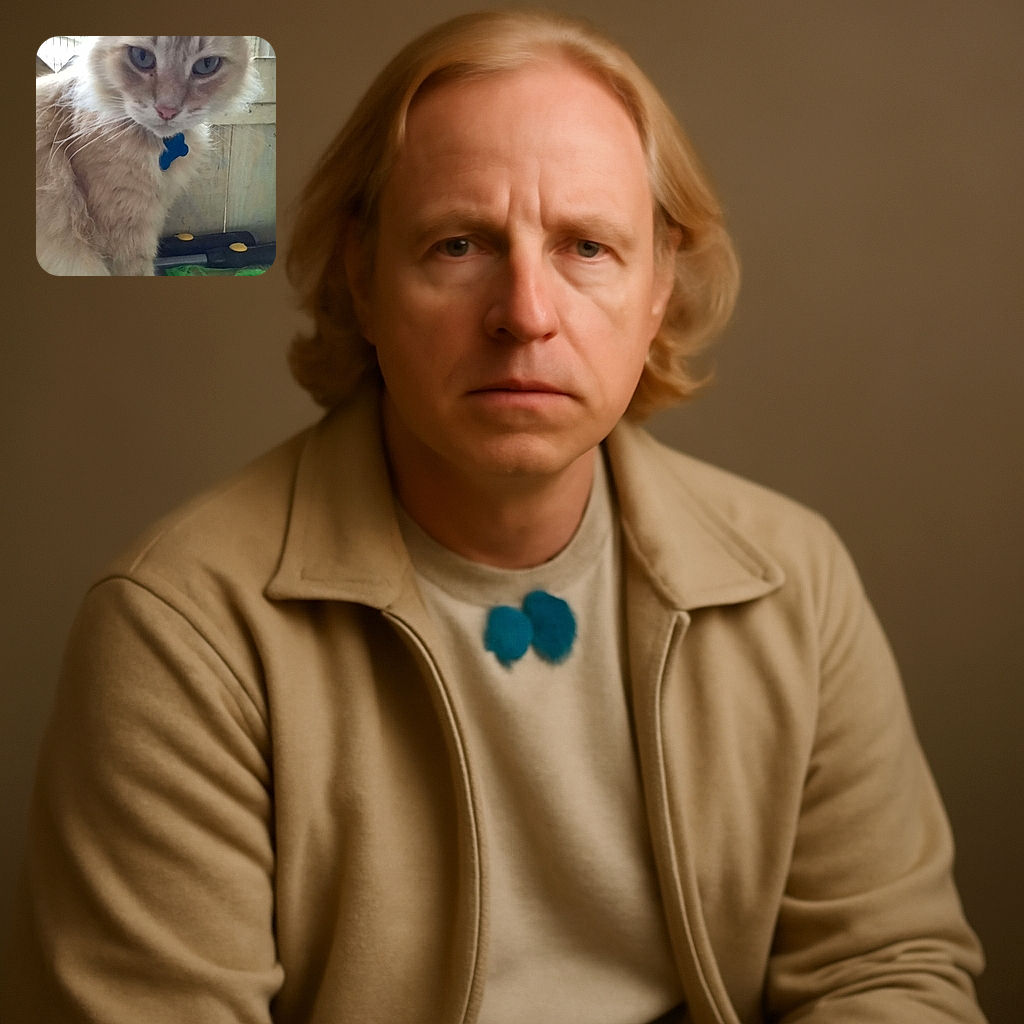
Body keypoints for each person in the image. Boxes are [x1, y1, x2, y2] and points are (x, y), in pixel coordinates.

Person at [5, 9, 986, 1023]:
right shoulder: (180, 630)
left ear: (659, 285)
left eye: (587, 247)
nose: (524, 311)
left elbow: (887, 974)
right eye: (459, 242)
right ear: (363, 276)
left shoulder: (795, 579)